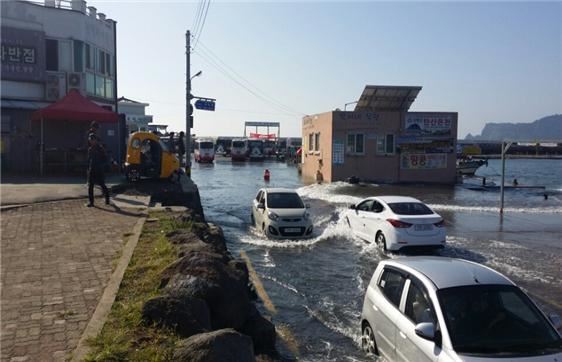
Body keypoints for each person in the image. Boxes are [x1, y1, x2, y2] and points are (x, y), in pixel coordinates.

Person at [86, 134, 110, 207]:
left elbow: (105, 159)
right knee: (90, 186)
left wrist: (101, 166)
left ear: (95, 140)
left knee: (102, 184)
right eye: (90, 140)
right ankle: (91, 202)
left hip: (99, 169)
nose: (91, 141)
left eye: (92, 140)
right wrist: (88, 168)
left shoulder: (100, 148)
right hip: (92, 169)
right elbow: (89, 160)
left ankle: (107, 199)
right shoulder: (90, 149)